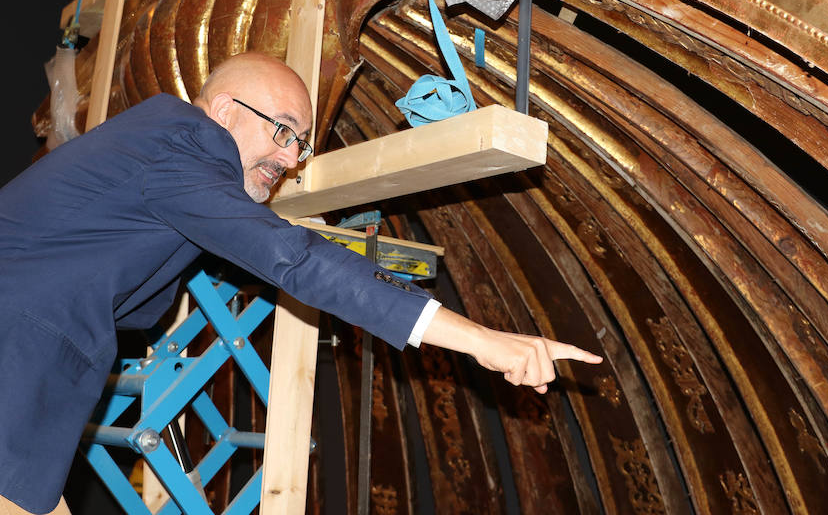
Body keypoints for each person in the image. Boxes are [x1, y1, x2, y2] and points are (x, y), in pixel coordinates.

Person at [0, 52, 602, 515]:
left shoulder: (159, 161)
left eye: (301, 144)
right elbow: (293, 259)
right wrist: (482, 340)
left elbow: (141, 299)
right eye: (282, 132)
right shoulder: (183, 145)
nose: (291, 160)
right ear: (225, 114)